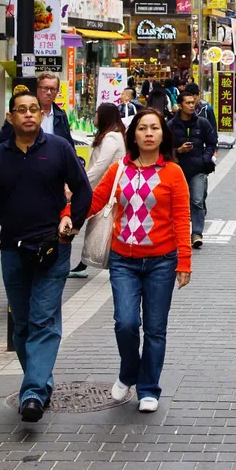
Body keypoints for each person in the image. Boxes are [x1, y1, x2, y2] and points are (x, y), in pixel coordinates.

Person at [0, 92, 91, 422]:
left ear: (41, 114)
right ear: (11, 118)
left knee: (43, 321)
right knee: (21, 327)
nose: (28, 115)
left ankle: (32, 391)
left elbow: (84, 191)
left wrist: (72, 223)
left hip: (53, 249)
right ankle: (41, 381)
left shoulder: (59, 149)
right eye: (21, 110)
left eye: (34, 109)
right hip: (13, 251)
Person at [88, 109, 191, 411]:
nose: (148, 133)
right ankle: (128, 371)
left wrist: (184, 261)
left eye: (154, 128)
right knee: (126, 323)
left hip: (161, 261)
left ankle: (149, 388)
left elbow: (182, 217)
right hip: (123, 260)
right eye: (143, 128)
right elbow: (95, 200)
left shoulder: (173, 172)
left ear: (162, 134)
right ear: (133, 134)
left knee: (156, 329)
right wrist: (68, 216)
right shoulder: (120, 168)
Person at [69, 103, 127, 279]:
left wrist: (81, 184)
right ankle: (84, 263)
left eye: (96, 114)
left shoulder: (111, 138)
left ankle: (93, 262)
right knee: (97, 225)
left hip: (105, 190)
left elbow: (100, 165)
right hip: (103, 188)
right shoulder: (114, 135)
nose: (94, 117)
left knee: (98, 225)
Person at [169, 90, 218, 249]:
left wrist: (205, 159)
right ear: (180, 105)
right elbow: (164, 148)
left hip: (198, 168)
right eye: (188, 103)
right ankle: (178, 233)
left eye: (193, 102)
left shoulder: (202, 123)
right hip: (177, 170)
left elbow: (212, 142)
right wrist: (178, 151)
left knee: (197, 201)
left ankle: (197, 233)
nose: (191, 105)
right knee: (176, 204)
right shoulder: (170, 125)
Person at [0, 74, 73, 149]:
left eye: (53, 89)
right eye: (45, 88)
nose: (49, 93)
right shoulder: (19, 114)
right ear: (37, 89)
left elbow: (69, 146)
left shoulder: (61, 115)